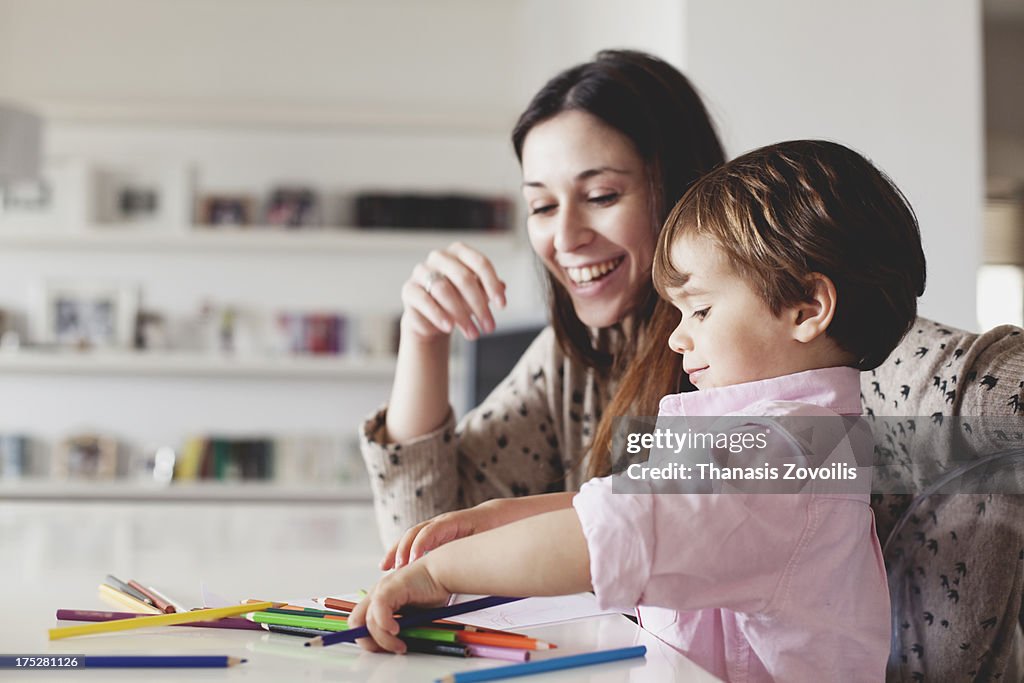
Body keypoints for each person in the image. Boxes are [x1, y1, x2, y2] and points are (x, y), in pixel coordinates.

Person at [348, 140, 928, 682]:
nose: (677, 340)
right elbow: (649, 497)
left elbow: (618, 531)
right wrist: (503, 516)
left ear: (807, 308)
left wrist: (438, 574)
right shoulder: (812, 439)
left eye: (698, 311)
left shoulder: (785, 454)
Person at [359, 49, 726, 548]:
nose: (565, 236)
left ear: (684, 188)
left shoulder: (763, 331)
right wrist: (422, 338)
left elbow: (832, 482)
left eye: (601, 196)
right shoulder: (572, 356)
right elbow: (425, 539)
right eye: (542, 206)